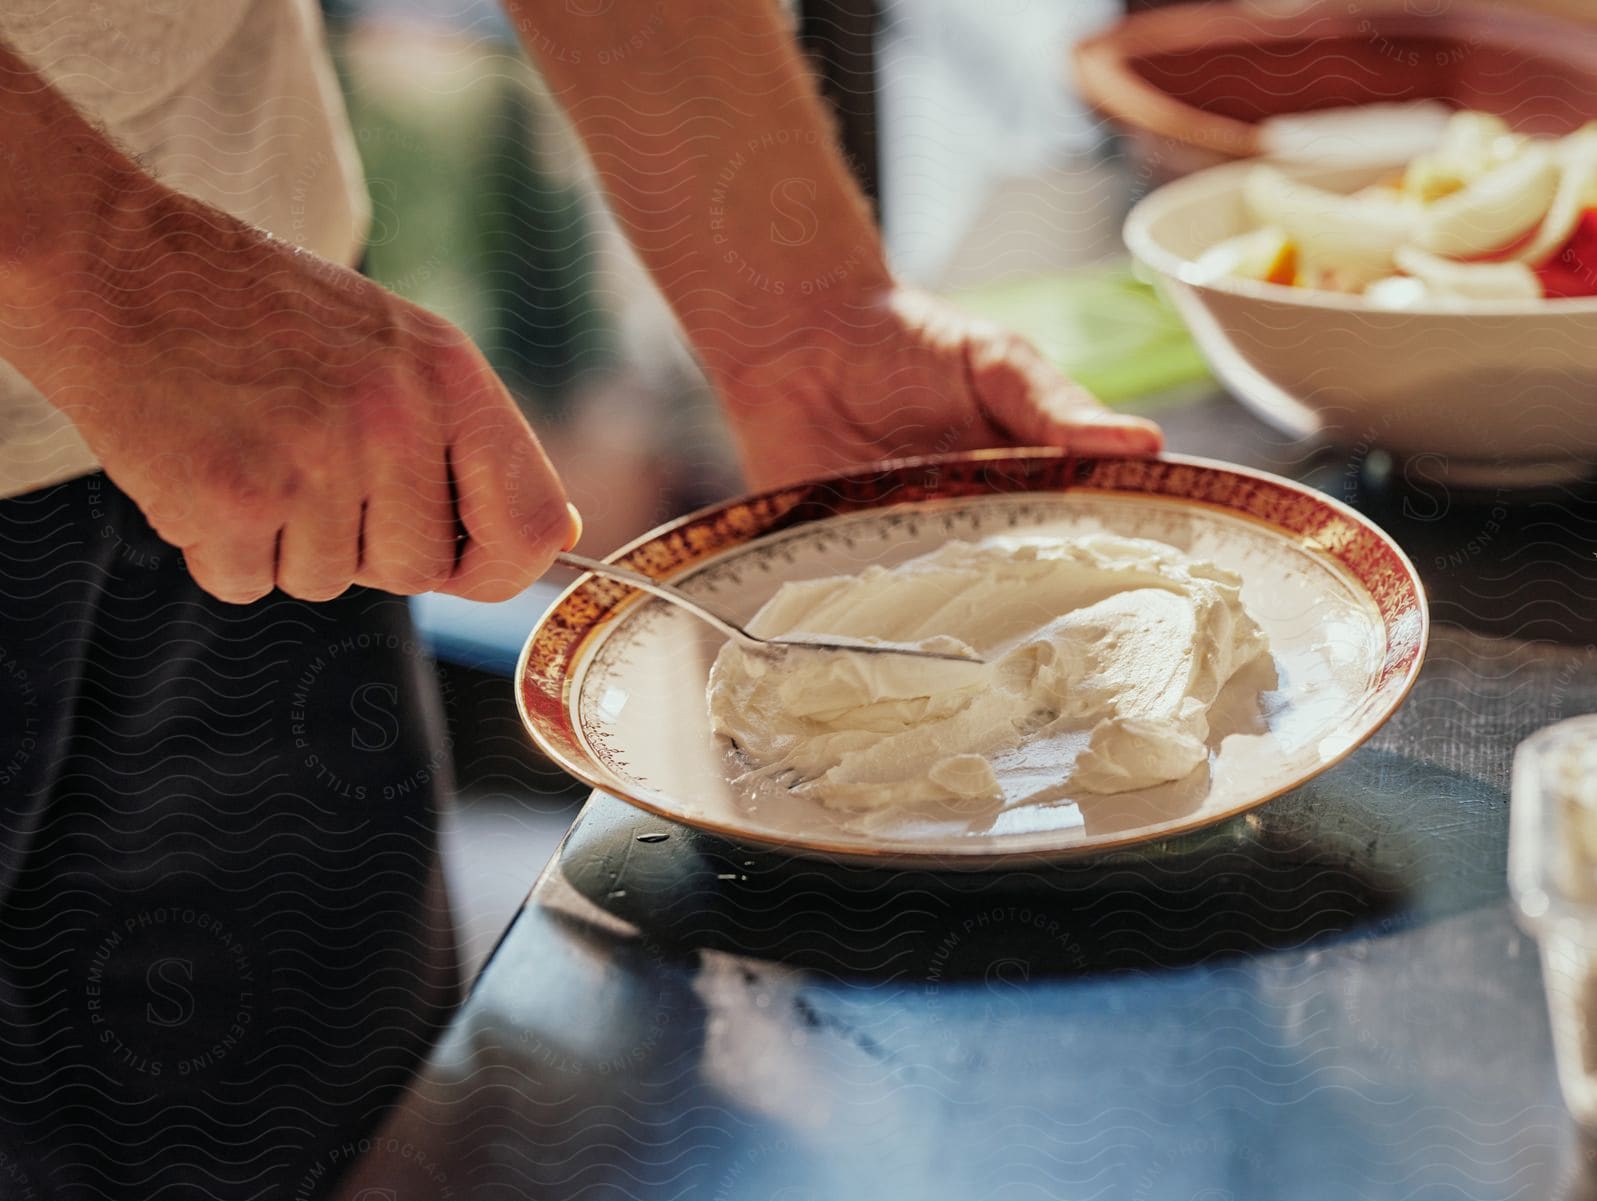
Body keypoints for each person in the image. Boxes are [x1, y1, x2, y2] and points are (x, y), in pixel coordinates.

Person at [0, 0, 1162, 1195]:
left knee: (326, 1148)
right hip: (165, 306)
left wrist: (803, 316)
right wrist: (100, 260)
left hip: (275, 395)